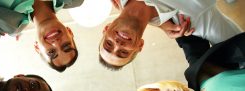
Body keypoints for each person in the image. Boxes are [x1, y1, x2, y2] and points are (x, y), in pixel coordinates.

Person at [99, 0, 243, 70]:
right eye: (123, 52)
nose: (118, 44)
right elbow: (240, 50)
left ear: (106, 28)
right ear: (140, 45)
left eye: (109, 44)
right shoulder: (189, 21)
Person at [0, 0, 84, 72]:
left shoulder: (8, 23)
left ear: (37, 47)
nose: (56, 43)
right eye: (66, 45)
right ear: (70, 32)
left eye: (51, 52)